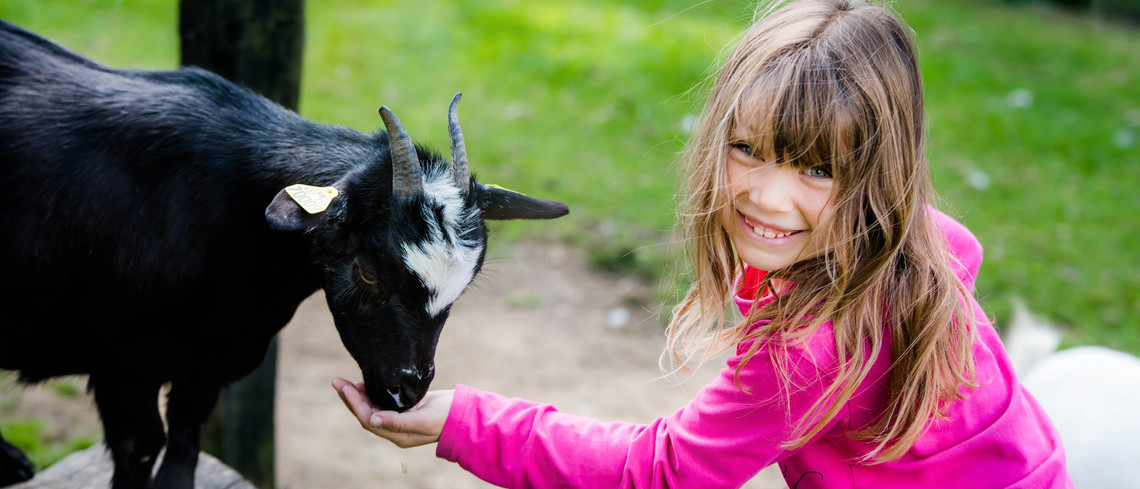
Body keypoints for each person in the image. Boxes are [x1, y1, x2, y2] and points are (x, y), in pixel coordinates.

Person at [332, 0, 1073, 487]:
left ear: (882, 175)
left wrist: (467, 420)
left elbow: (663, 470)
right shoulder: (922, 242)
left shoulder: (808, 351)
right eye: (749, 149)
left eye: (819, 167)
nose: (767, 196)